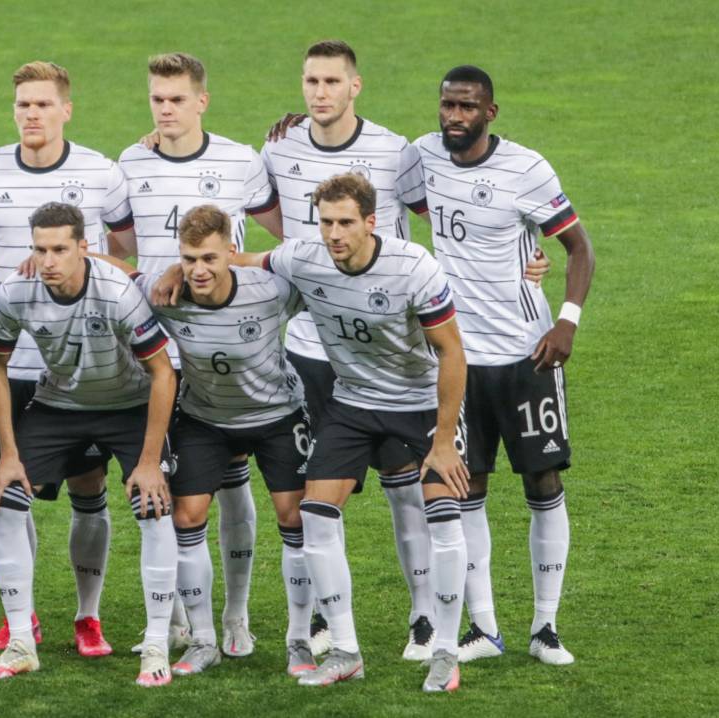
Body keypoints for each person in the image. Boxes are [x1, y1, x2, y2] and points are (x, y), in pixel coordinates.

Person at [160, 174, 472, 691]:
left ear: (371, 222)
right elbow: (239, 260)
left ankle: (444, 649)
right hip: (351, 404)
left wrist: (443, 441)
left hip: (419, 406)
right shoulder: (304, 259)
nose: (334, 233)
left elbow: (452, 351)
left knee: (442, 517)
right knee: (315, 517)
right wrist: (180, 265)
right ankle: (346, 650)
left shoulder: (414, 267)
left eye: (346, 222)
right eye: (326, 222)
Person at [259, 40, 441, 659]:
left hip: (388, 354)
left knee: (402, 486)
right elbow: (266, 219)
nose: (319, 92)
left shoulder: (395, 151)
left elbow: (434, 216)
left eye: (331, 80)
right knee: (308, 494)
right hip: (309, 349)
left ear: (354, 86)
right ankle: (312, 624)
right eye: (310, 80)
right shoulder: (279, 146)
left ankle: (422, 615)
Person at [414, 65, 594, 666]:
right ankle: (484, 629)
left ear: (490, 112)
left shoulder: (526, 169)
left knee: (543, 484)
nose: (454, 117)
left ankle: (546, 627)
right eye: (447, 105)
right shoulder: (423, 158)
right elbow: (359, 160)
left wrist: (566, 318)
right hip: (457, 359)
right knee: (469, 490)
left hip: (526, 355)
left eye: (466, 107)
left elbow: (578, 247)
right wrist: (295, 127)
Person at [93, 204, 318, 678]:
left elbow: (317, 271)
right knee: (187, 517)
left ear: (230, 253)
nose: (198, 270)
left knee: (294, 517)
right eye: (189, 258)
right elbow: (115, 269)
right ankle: (203, 640)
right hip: (204, 418)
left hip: (276, 415)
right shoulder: (165, 292)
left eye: (210, 259)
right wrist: (79, 253)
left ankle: (299, 640)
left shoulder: (271, 288)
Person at [0, 61, 136, 657]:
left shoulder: (101, 172)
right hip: (12, 363)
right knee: (9, 486)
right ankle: (22, 617)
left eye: (42, 104)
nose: (31, 114)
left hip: (83, 367)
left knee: (90, 491)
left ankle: (87, 618)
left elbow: (123, 254)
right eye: (22, 105)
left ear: (66, 109)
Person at [118, 53, 283, 657]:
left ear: (201, 101)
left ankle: (236, 616)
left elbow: (286, 235)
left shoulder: (241, 160)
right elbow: (120, 247)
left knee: (233, 482)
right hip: (158, 352)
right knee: (167, 490)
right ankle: (182, 622)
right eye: (157, 98)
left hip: (228, 348)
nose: (165, 109)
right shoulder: (129, 162)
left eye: (177, 99)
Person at [0, 203, 177, 686]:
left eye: (60, 249)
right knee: (6, 497)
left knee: (155, 506)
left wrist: (150, 461)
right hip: (59, 404)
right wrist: (8, 453)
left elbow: (162, 372)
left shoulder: (116, 294)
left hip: (127, 405)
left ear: (84, 248)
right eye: (40, 249)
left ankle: (156, 645)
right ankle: (22, 640)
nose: (48, 261)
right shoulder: (16, 292)